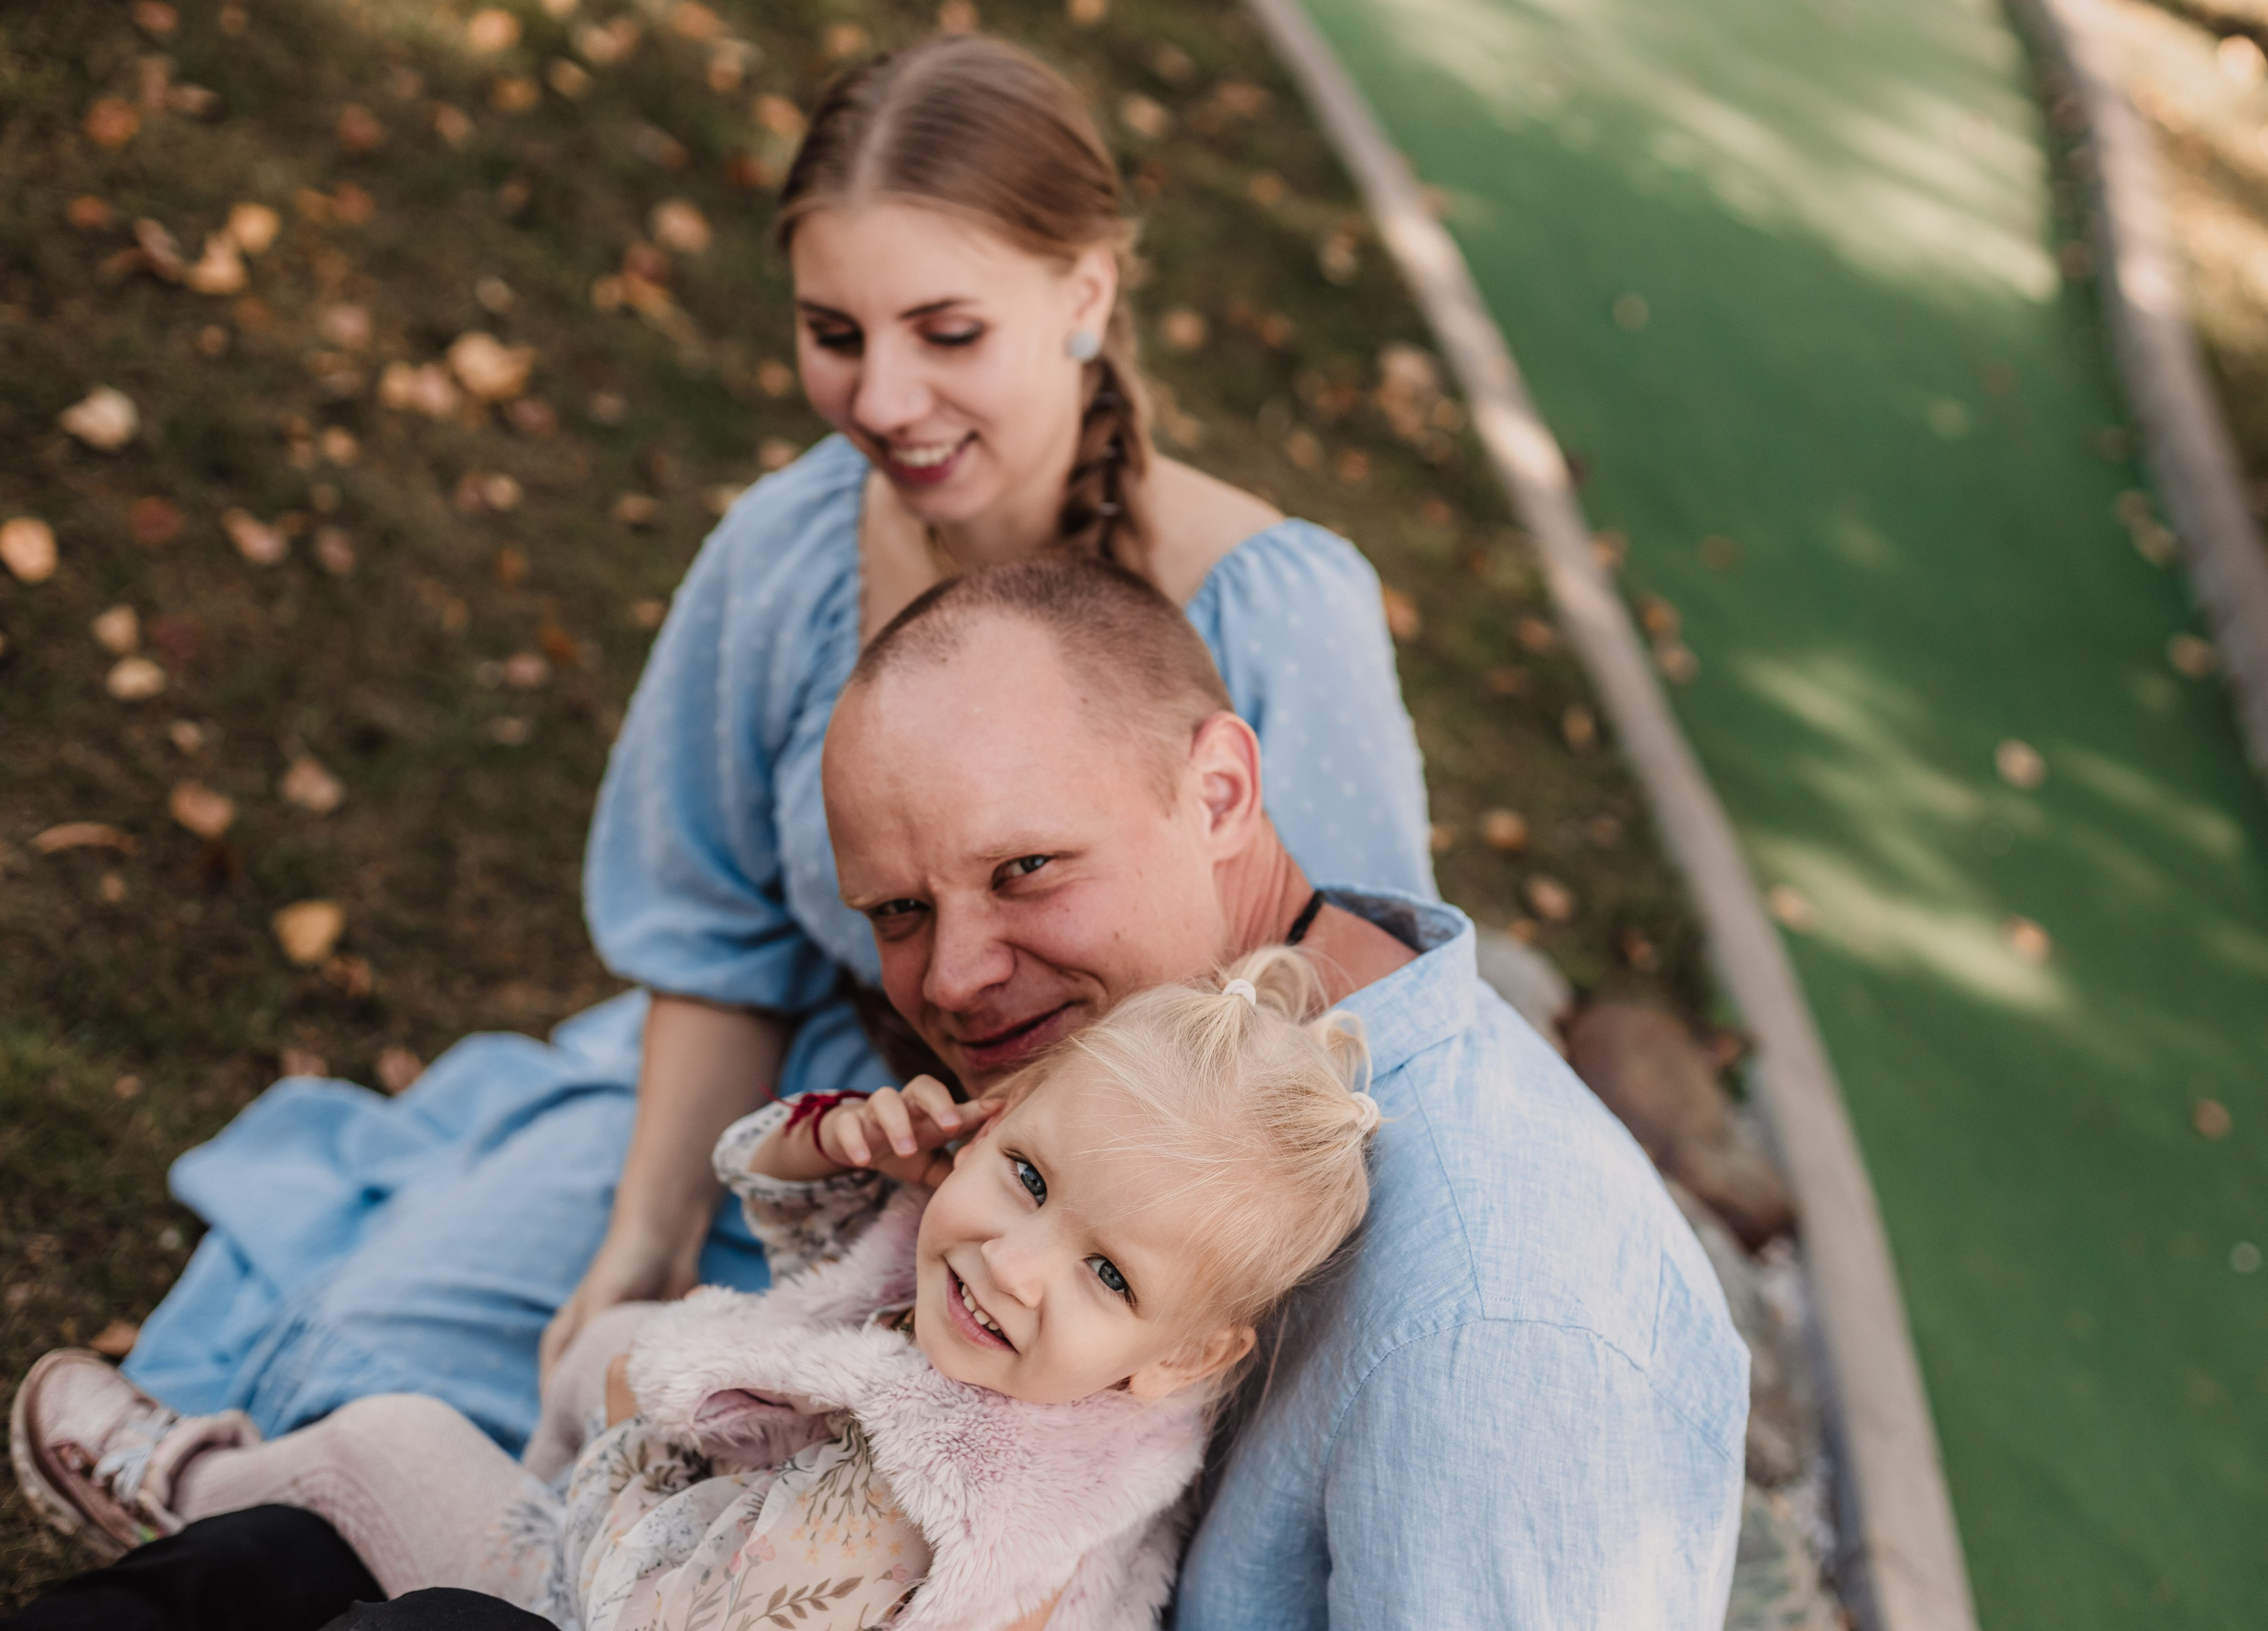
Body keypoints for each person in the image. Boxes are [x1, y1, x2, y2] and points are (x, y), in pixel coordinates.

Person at [113, 33, 1435, 1457]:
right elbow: (715, 936)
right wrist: (649, 1233)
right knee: (363, 1366)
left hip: (1090, 1239)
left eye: (946, 331)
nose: (879, 400)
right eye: (833, 334)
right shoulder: (792, 544)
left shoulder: (1280, 609)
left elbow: (1361, 1037)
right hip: (803, 1111)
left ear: (1084, 291)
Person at [12, 557, 1745, 1626]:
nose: (957, 982)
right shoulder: (1129, 1086)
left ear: (1222, 788)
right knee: (267, 1568)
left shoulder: (1510, 1319)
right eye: (902, 914)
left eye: (1029, 870)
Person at [16, 950, 1379, 1631]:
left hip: (618, 1603)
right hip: (640, 1550)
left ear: (1181, 1359)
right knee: (615, 1341)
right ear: (990, 1119)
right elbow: (780, 1197)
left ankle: (181, 1486)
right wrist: (839, 1132)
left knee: (396, 1446)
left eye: (1103, 1272)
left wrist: (652, 1427)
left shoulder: (993, 1536)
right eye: (1026, 1176)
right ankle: (241, 1501)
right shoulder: (966, 1291)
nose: (1011, 1264)